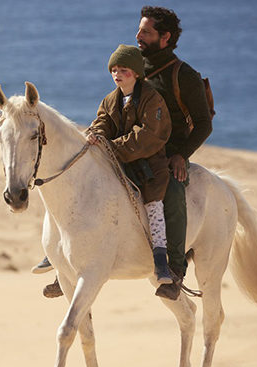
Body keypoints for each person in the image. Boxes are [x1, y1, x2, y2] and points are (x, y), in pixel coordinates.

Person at [36, 44, 175, 298]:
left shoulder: (152, 99)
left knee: (154, 207)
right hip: (116, 161)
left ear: (135, 73)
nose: (117, 74)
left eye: (123, 70)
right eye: (114, 70)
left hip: (148, 166)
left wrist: (111, 146)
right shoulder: (111, 99)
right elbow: (102, 121)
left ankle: (161, 260)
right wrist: (97, 135)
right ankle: (60, 266)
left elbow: (148, 135)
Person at [136, 6, 213, 300]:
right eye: (140, 29)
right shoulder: (134, 64)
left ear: (165, 37)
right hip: (133, 145)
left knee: (173, 192)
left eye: (146, 32)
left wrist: (181, 155)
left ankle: (176, 271)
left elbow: (204, 124)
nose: (138, 35)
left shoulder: (185, 75)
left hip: (169, 155)